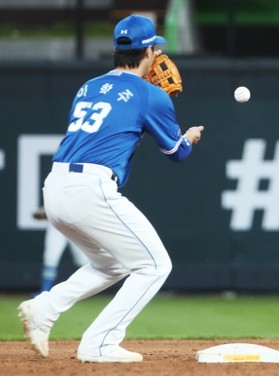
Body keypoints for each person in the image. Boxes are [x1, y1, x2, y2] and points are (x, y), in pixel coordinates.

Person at [18, 14, 204, 363]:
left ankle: (44, 308)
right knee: (155, 266)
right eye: (155, 49)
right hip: (90, 188)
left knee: (112, 265)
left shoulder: (89, 86)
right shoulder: (150, 95)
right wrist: (189, 137)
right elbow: (177, 154)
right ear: (149, 51)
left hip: (56, 185)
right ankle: (100, 343)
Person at [32, 206, 88, 294]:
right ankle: (44, 291)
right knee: (50, 258)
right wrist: (46, 209)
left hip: (75, 226)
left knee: (82, 261)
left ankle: (88, 288)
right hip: (57, 226)